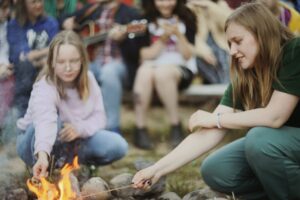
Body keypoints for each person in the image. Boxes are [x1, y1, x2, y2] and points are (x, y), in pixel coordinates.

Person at [132, 2, 300, 199]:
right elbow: (210, 131)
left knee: (259, 139)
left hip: (279, 142)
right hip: (280, 146)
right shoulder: (247, 75)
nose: (232, 51)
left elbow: (275, 117)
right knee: (216, 169)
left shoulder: (294, 51)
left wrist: (217, 119)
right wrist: (157, 169)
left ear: (262, 33)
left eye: (238, 41)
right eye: (229, 44)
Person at [16, 30, 128, 179]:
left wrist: (79, 128)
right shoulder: (45, 85)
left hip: (72, 142)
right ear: (52, 62)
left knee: (118, 144)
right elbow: (45, 122)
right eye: (61, 62)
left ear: (82, 59)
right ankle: (43, 165)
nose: (68, 68)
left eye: (74, 61)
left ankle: (74, 166)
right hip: (36, 142)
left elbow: (100, 117)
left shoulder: (89, 79)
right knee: (54, 122)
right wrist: (42, 154)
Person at [62, 0, 144, 134]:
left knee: (109, 73)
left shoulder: (131, 13)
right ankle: (74, 124)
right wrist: (67, 22)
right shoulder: (92, 9)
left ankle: (112, 127)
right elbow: (64, 18)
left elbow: (136, 51)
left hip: (119, 65)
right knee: (76, 70)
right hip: (94, 62)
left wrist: (124, 39)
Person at [133, 0, 197, 149]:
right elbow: (144, 55)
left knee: (163, 73)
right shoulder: (143, 20)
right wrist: (163, 39)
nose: (166, 4)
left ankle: (175, 125)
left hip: (180, 68)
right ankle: (140, 128)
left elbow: (188, 55)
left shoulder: (187, 17)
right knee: (143, 72)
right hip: (152, 65)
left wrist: (177, 34)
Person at [7, 0, 59, 117]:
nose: (38, 5)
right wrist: (45, 54)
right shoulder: (15, 25)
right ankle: (22, 116)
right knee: (25, 66)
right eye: (33, 2)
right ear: (23, 4)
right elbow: (22, 56)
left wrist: (38, 56)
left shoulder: (51, 22)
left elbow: (57, 47)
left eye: (40, 1)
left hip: (48, 68)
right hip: (25, 74)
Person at [188, 0, 232, 84]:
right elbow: (189, 35)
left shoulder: (220, 4)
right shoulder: (190, 7)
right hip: (200, 49)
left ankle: (223, 91)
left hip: (221, 46)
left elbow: (230, 23)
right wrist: (203, 52)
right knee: (202, 61)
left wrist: (209, 5)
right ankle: (224, 91)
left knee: (226, 60)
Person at [0, 0, 14, 128]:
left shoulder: (5, 25)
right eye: (3, 8)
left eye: (8, 8)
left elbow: (4, 50)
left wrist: (5, 64)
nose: (7, 12)